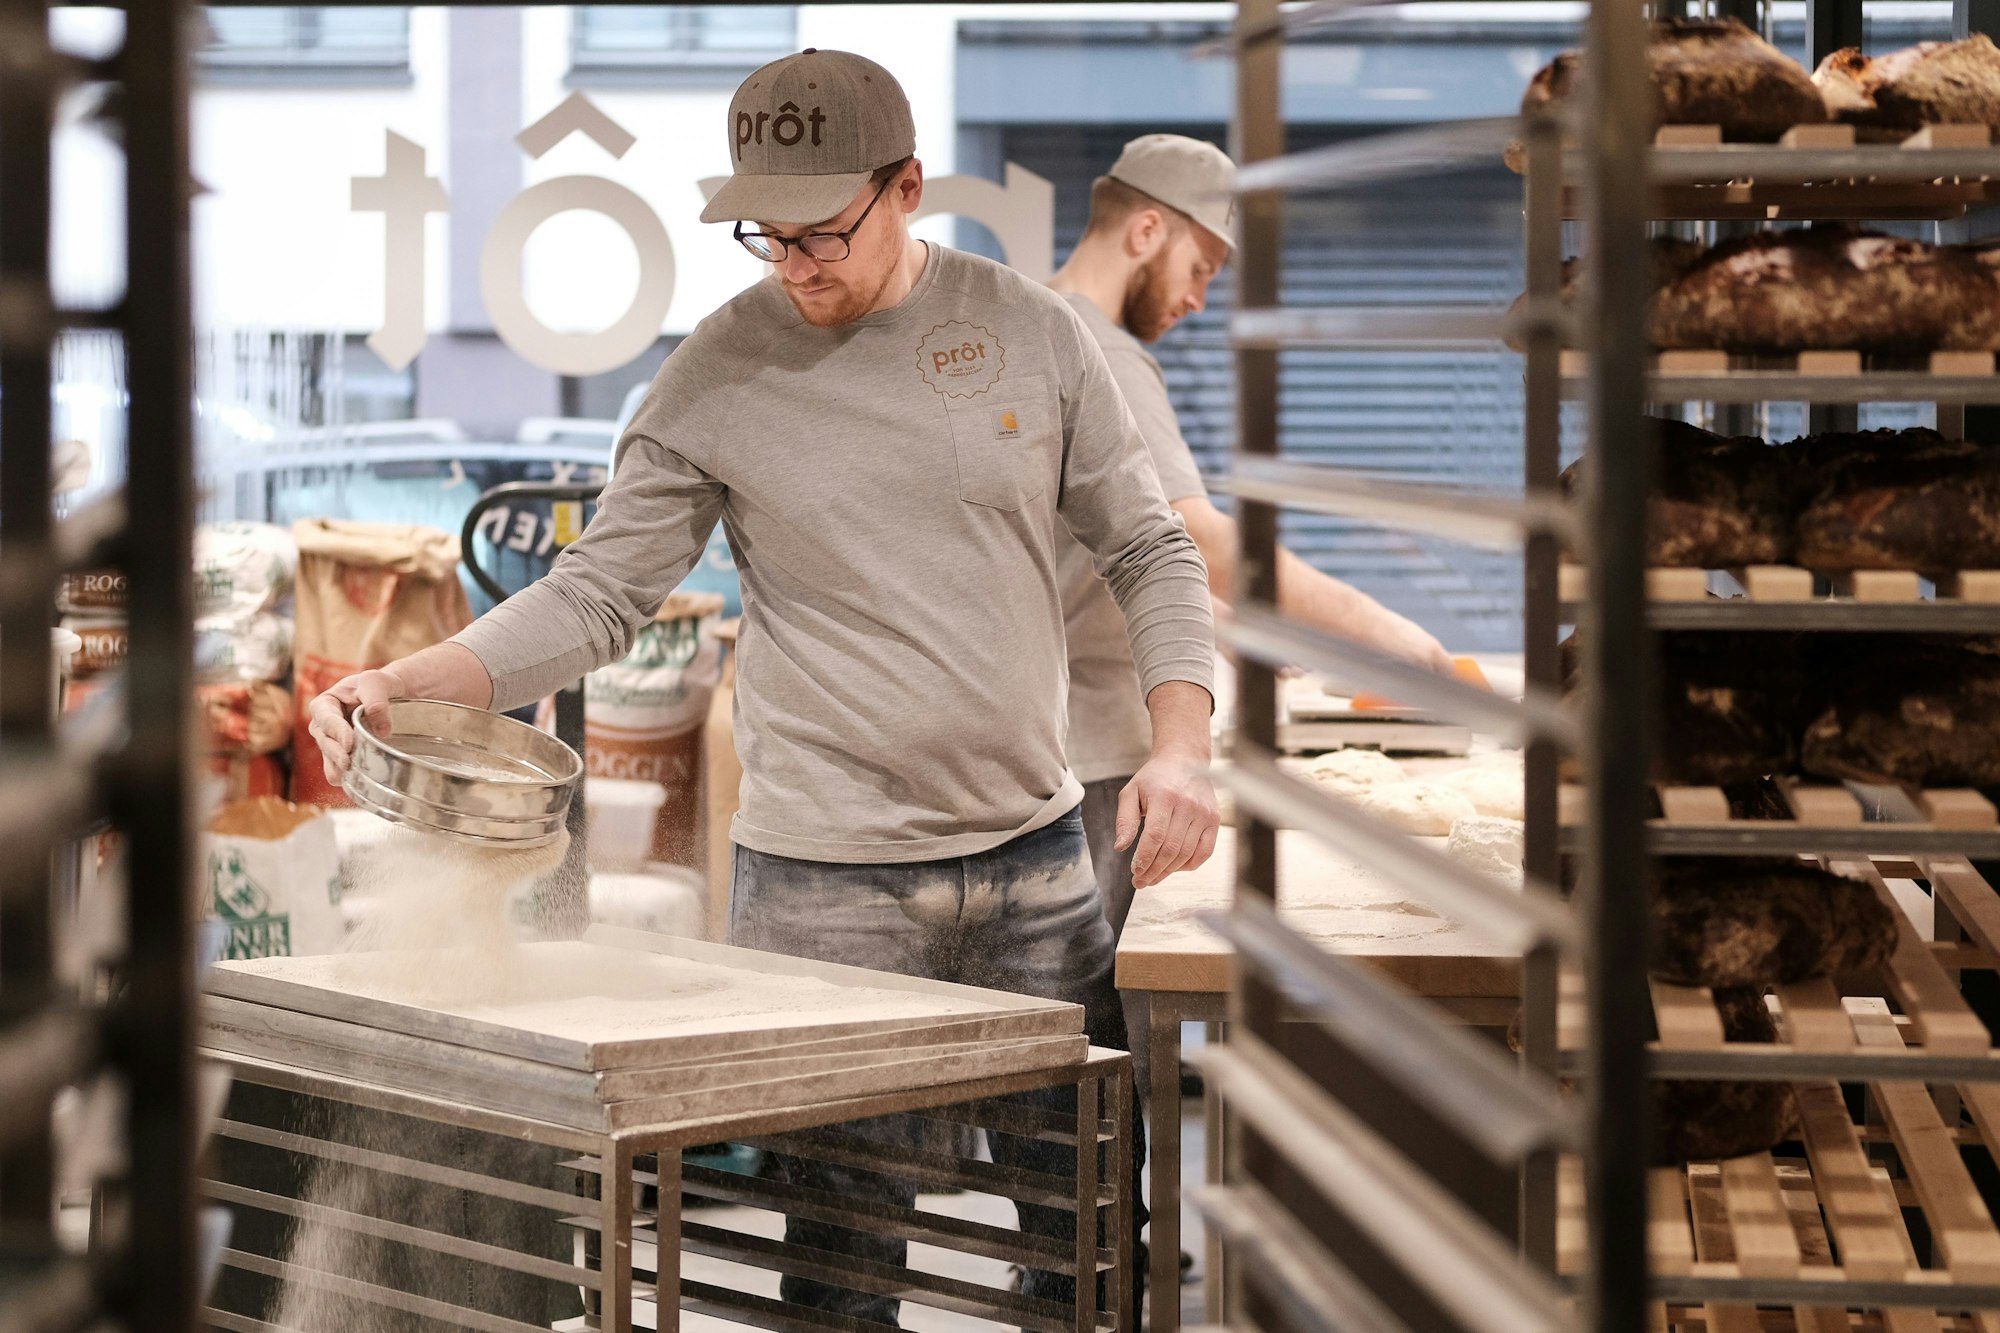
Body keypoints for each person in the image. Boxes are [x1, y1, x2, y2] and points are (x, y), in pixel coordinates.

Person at [306, 50, 1215, 1324]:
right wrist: (410, 678)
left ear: (906, 188)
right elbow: (595, 596)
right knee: (839, 1270)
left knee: (1085, 1247)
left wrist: (1181, 745)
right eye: (764, 236)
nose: (793, 265)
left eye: (821, 233)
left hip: (1033, 866)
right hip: (820, 893)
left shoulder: (1029, 333)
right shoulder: (716, 373)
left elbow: (1150, 548)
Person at [1047, 133, 1453, 1077]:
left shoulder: (1043, 326)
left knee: (1077, 1052)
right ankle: (1119, 1228)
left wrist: (1226, 634)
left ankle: (1105, 1218)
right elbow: (1198, 534)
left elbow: (1098, 553)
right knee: (1096, 1060)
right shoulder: (1097, 346)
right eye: (1201, 265)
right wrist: (1385, 634)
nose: (1198, 299)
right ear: (1147, 228)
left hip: (1077, 736)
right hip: (1100, 751)